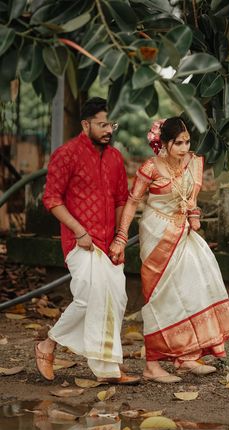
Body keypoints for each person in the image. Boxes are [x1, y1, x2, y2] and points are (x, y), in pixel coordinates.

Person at [109, 117, 229, 383]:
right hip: (158, 234)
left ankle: (187, 357)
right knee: (162, 297)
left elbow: (189, 198)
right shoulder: (151, 168)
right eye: (178, 143)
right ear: (165, 144)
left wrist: (193, 213)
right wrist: (121, 237)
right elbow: (133, 202)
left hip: (184, 233)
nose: (184, 148)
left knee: (195, 289)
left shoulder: (190, 163)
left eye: (187, 142)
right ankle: (152, 364)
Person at [35, 97, 140, 385]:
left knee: (116, 299)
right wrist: (79, 231)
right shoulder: (65, 154)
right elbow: (52, 199)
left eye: (111, 124)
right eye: (102, 124)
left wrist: (120, 238)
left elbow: (121, 199)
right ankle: (48, 345)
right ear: (86, 124)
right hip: (80, 242)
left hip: (109, 245)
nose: (109, 130)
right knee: (87, 297)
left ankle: (109, 369)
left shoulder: (115, 158)